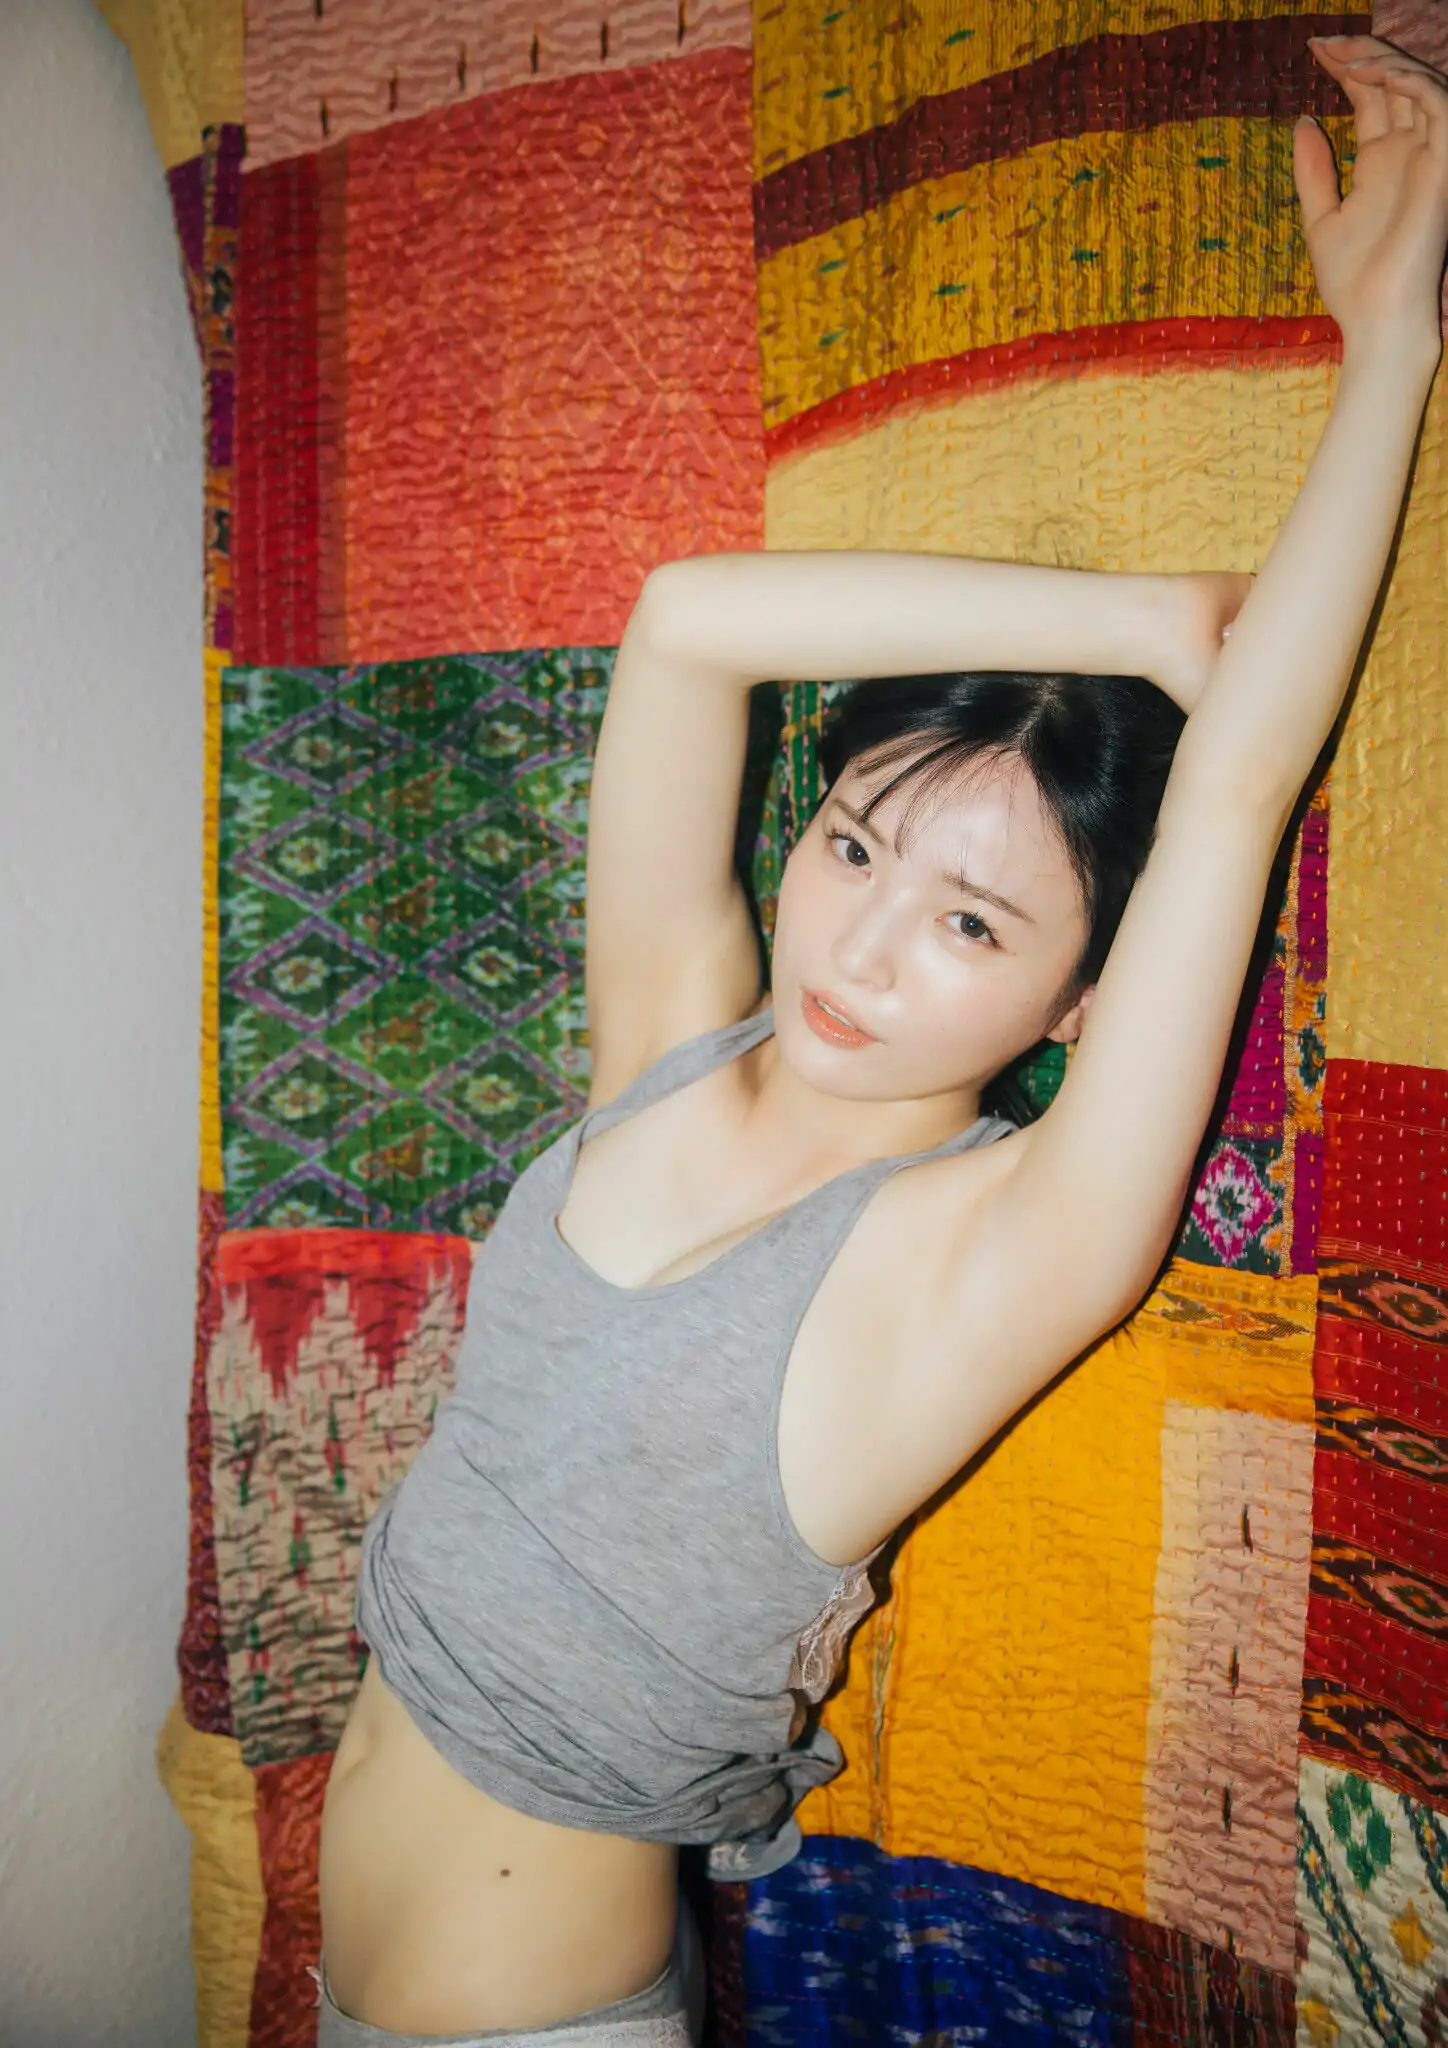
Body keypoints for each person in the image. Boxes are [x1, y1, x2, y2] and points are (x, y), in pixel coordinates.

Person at [312, 34, 1448, 2047]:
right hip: (350, 1979)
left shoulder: (986, 1254)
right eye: (853, 845)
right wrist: (1121, 630)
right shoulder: (674, 1043)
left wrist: (1387, 353)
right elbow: (686, 622)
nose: (860, 942)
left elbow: (1243, 777)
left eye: (974, 921)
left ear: (1077, 1001)